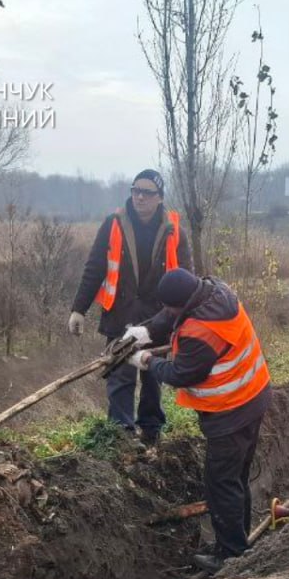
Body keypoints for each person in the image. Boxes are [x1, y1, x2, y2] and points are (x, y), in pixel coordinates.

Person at [126, 269, 271, 572]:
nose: (167, 312)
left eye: (170, 307)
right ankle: (236, 541)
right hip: (254, 396)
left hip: (231, 412)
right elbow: (173, 314)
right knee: (235, 479)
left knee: (221, 484)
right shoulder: (215, 291)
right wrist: (146, 333)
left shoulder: (200, 333)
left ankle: (231, 555)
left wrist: (148, 360)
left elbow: (181, 374)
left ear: (182, 303)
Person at [69, 170, 192, 445]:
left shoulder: (174, 231)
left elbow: (187, 277)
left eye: (147, 192)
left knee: (153, 377)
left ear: (159, 198)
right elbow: (94, 268)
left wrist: (186, 317)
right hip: (120, 314)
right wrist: (79, 309)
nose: (139, 197)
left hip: (159, 317)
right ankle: (121, 435)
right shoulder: (113, 224)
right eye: (135, 190)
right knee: (120, 374)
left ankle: (151, 432)